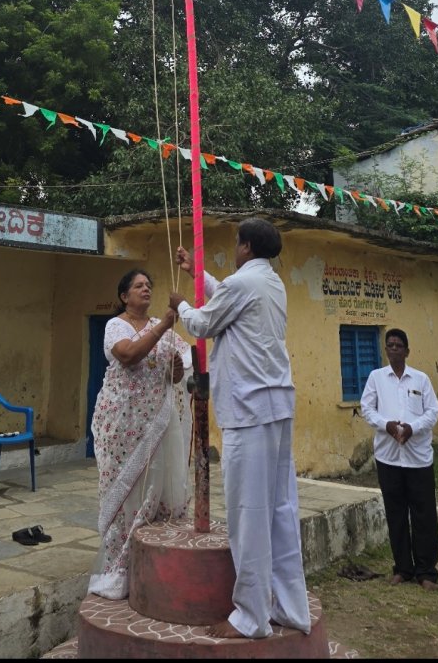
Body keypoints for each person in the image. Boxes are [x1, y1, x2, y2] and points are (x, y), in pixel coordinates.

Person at [169, 218, 311, 641]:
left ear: (246, 246)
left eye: (236, 243)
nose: (234, 249)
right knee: (280, 510)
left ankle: (251, 616)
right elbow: (227, 297)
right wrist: (199, 275)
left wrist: (180, 304)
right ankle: (289, 607)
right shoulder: (270, 283)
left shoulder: (242, 286)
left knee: (248, 513)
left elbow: (201, 324)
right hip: (276, 405)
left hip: (249, 410)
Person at [88, 268, 192, 600]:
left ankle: (154, 560)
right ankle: (119, 564)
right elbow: (129, 356)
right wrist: (165, 322)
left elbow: (174, 376)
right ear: (124, 296)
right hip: (122, 422)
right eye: (138, 285)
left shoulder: (165, 332)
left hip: (156, 421)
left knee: (157, 484)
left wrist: (175, 370)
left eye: (149, 284)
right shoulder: (116, 326)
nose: (146, 289)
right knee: (125, 487)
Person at [360, 328, 438, 590]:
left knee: (423, 514)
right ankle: (402, 568)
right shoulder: (376, 378)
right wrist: (388, 426)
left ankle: (426, 571)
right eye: (390, 345)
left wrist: (411, 429)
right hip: (389, 457)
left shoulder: (421, 379)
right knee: (396, 513)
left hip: (418, 458)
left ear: (407, 351)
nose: (393, 349)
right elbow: (367, 409)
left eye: (398, 345)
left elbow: (433, 412)